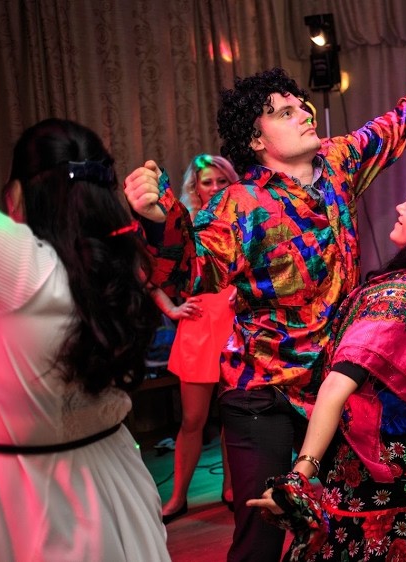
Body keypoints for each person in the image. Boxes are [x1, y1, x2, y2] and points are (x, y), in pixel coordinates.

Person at [123, 67, 406, 561]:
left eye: (301, 106)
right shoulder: (239, 203)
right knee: (261, 538)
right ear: (256, 140)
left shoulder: (337, 163)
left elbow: (387, 130)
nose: (304, 115)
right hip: (262, 393)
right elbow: (194, 270)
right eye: (285, 112)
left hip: (333, 390)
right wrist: (158, 220)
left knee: (349, 523)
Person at [247, 173, 406, 561]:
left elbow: (338, 386)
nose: (400, 207)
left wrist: (299, 476)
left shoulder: (404, 295)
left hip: (373, 467)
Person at [0, 118, 170, 561]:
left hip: (40, 498)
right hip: (120, 479)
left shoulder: (22, 268)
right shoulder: (116, 265)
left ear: (16, 195)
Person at [151, 153, 239, 523]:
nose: (215, 187)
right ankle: (177, 499)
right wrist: (171, 309)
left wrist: (248, 289)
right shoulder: (183, 224)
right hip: (199, 325)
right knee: (192, 419)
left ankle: (231, 489)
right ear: (196, 187)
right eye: (208, 182)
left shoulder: (246, 216)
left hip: (237, 324)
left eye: (222, 180)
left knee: (235, 416)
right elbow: (149, 272)